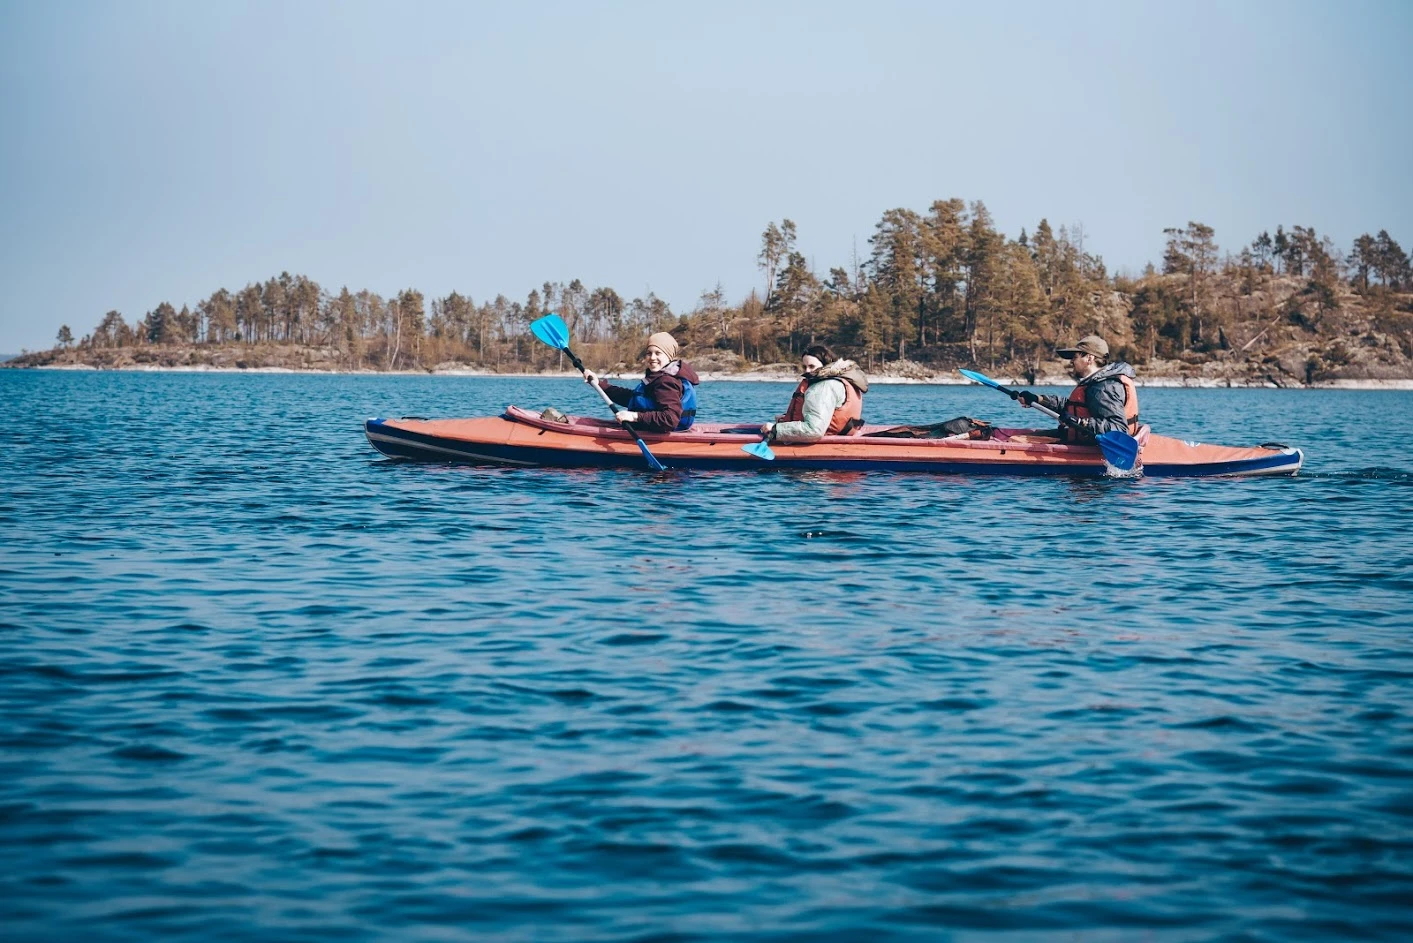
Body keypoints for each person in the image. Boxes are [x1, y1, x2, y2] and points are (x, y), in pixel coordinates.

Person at [1015, 334, 1140, 443]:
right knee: (1020, 437)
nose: (1071, 362)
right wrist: (1038, 399)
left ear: (1089, 358)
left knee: (1017, 440)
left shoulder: (1102, 388)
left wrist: (1080, 422)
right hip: (1083, 438)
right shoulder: (1095, 383)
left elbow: (1119, 428)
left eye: (1075, 357)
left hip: (1094, 446)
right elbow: (1073, 407)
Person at [582, 331, 700, 433]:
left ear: (669, 357)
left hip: (663, 435)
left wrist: (634, 416)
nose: (652, 357)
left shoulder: (665, 382)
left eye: (658, 353)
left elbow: (670, 419)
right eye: (649, 353)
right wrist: (599, 384)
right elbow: (632, 398)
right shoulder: (659, 378)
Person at [760, 345, 869, 443]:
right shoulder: (839, 381)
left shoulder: (824, 387)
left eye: (812, 366)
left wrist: (776, 429)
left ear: (826, 364)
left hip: (823, 443)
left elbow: (814, 430)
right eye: (804, 366)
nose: (807, 371)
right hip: (841, 436)